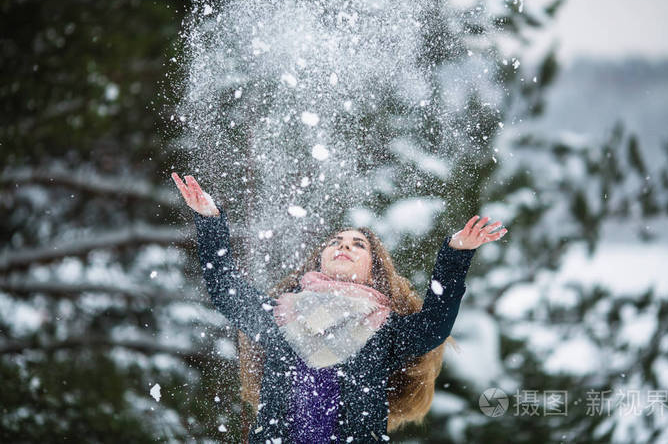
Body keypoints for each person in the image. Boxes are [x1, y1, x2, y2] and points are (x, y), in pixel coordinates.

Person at [172, 172, 507, 443]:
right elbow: (226, 289)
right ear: (321, 259)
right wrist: (210, 221)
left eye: (358, 245)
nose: (344, 246)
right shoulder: (279, 316)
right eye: (336, 242)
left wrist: (455, 254)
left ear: (372, 270)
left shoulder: (384, 330)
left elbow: (434, 326)